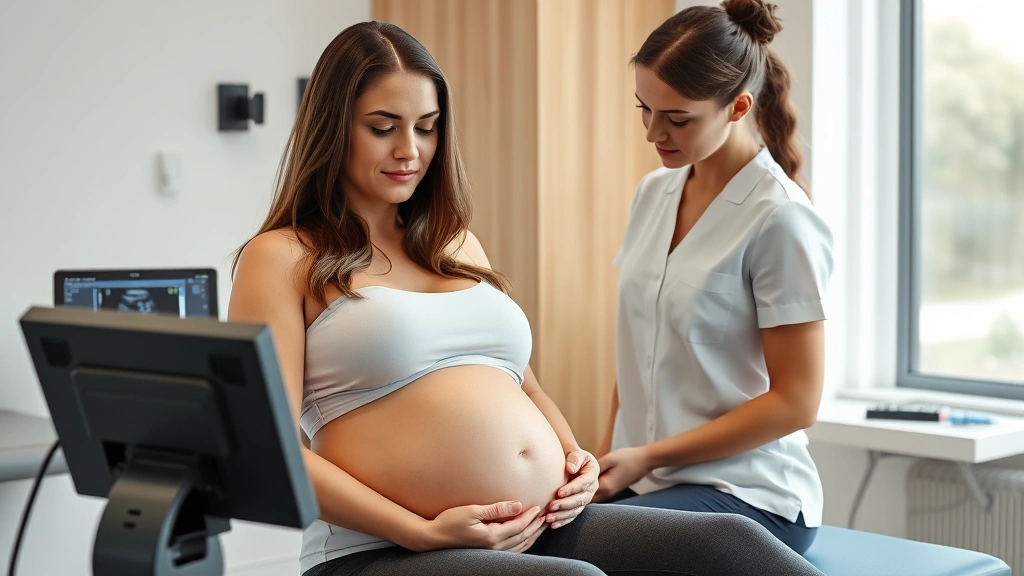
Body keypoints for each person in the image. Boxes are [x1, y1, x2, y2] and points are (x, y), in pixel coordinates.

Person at [228, 20, 825, 576]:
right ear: (335, 127)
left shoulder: (454, 243)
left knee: (730, 547)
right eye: (383, 127)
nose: (409, 149)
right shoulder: (282, 258)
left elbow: (524, 386)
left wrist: (574, 459)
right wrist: (422, 531)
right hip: (381, 550)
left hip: (537, 526)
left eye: (427, 127)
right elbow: (271, 447)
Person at [594, 0, 835, 556]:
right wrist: (605, 460)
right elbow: (640, 346)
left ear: (737, 107)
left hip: (747, 495)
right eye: (645, 109)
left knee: (572, 549)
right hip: (650, 481)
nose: (654, 132)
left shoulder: (781, 219)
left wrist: (648, 456)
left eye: (678, 119)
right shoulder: (653, 194)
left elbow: (797, 402)